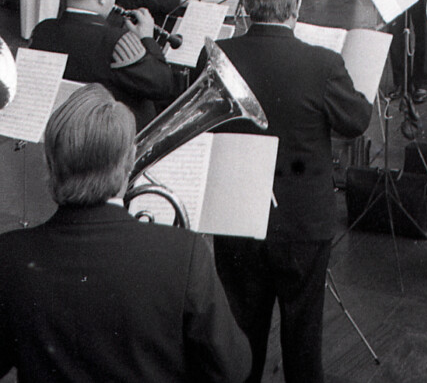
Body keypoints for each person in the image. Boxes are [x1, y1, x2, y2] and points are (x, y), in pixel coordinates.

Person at [0, 85, 250, 382]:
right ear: (130, 160)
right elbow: (232, 368)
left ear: (49, 162)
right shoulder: (183, 252)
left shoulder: (9, 255)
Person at [207, 0, 372, 383]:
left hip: (237, 215)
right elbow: (355, 121)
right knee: (303, 338)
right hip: (302, 220)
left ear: (245, 5)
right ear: (296, 7)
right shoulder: (324, 63)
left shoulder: (215, 57)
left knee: (242, 334)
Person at [31, 0, 176, 128]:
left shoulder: (43, 31)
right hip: (114, 136)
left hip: (65, 127)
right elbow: (163, 85)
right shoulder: (117, 41)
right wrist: (147, 38)